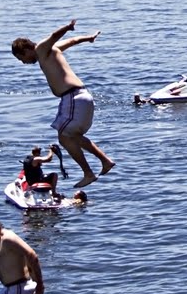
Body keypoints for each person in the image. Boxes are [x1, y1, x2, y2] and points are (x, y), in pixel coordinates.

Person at [10, 19, 114, 190]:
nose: (23, 63)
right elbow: (73, 41)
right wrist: (88, 38)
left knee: (64, 137)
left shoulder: (41, 49)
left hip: (73, 98)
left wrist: (67, 27)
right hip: (80, 97)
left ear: (25, 49)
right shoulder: (53, 50)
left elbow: (53, 36)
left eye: (21, 58)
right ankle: (105, 161)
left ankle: (89, 172)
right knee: (71, 136)